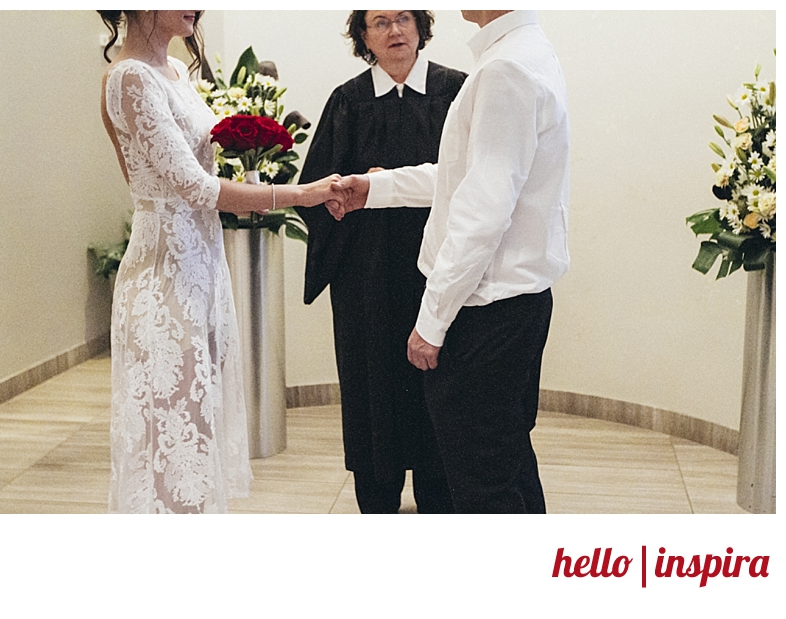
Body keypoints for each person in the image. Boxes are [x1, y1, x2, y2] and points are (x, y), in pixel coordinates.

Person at [98, 10, 340, 513]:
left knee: (196, 420)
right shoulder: (128, 78)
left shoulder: (177, 72)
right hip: (163, 273)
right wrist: (304, 194)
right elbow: (193, 186)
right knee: (169, 428)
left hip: (202, 263)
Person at [329, 10, 570, 514]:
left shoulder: (505, 69)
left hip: (486, 311)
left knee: (483, 486)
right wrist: (376, 188)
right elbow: (462, 174)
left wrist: (432, 321)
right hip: (511, 304)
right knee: (507, 467)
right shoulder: (522, 51)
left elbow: (482, 211)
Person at [294, 11, 467, 514]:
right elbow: (317, 189)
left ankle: (440, 500)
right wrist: (352, 188)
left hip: (436, 273)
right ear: (363, 36)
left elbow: (474, 184)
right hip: (364, 278)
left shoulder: (456, 91)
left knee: (437, 383)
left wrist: (391, 182)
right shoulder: (347, 101)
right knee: (372, 386)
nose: (395, 31)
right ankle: (378, 500)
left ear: (420, 27)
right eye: (380, 22)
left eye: (404, 19)